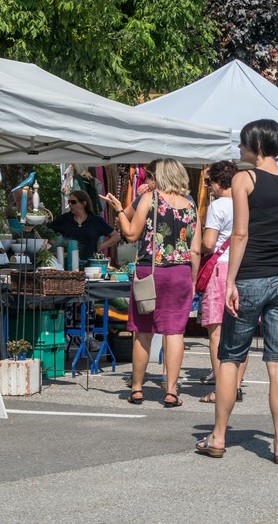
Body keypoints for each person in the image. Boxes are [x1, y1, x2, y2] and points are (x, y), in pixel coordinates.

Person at [196, 119, 278, 464]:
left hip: (249, 276)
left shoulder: (243, 179)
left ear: (258, 146)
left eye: (243, 144)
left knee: (231, 357)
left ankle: (218, 437)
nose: (239, 149)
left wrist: (230, 280)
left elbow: (240, 235)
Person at [102, 158, 197, 408]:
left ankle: (136, 388)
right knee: (174, 331)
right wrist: (194, 277)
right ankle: (172, 390)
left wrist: (119, 210)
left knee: (143, 331)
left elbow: (131, 234)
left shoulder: (150, 198)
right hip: (180, 272)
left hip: (150, 271)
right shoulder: (190, 205)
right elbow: (194, 248)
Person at [193, 161, 247, 401]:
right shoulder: (246, 202)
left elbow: (208, 243)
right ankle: (235, 385)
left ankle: (221, 389)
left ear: (217, 182)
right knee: (241, 331)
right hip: (244, 266)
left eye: (209, 182)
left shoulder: (217, 206)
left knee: (216, 332)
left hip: (220, 268)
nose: (209, 187)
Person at [47, 190, 120, 261]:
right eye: (69, 202)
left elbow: (116, 236)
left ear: (84, 203)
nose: (70, 204)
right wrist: (52, 243)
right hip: (68, 263)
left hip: (90, 263)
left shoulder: (96, 220)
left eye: (73, 202)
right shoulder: (63, 219)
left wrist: (101, 246)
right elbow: (45, 232)